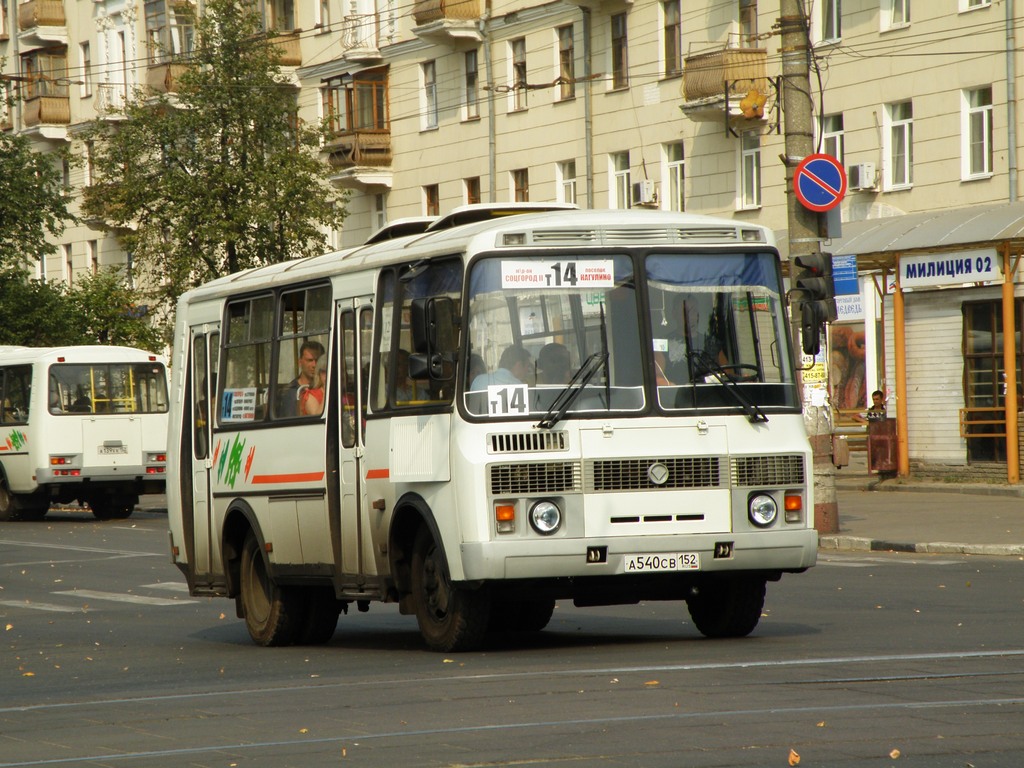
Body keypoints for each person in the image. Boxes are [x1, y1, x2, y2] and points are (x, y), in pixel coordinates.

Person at [279, 340, 325, 417]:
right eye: (310, 360)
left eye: (318, 360)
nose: (314, 365)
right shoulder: (291, 392)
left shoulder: (324, 386)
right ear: (300, 362)